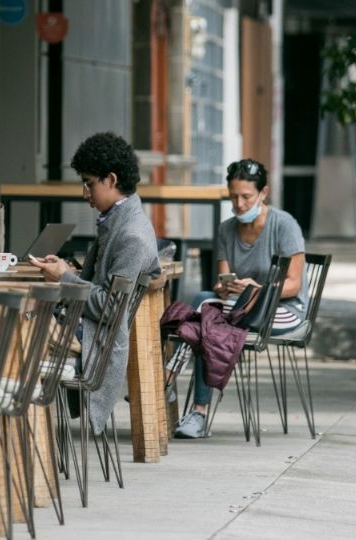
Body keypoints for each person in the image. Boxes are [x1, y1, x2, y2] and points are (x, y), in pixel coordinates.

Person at [30, 132, 161, 433]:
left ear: (111, 180)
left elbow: (111, 309)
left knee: (7, 342)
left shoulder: (131, 236)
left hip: (93, 344)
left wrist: (64, 277)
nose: (84, 192)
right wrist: (65, 274)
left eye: (89, 183)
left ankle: (22, 446)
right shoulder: (117, 221)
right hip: (84, 331)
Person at [174, 158, 308, 439]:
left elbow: (294, 285)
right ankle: (196, 412)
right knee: (205, 307)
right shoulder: (226, 229)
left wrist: (257, 289)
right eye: (233, 196)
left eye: (246, 197)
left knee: (205, 323)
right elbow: (223, 281)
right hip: (243, 309)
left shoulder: (284, 225)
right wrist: (225, 289)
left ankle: (180, 390)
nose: (239, 204)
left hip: (283, 310)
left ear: (263, 193)